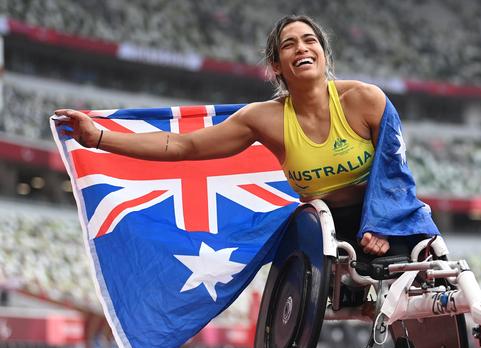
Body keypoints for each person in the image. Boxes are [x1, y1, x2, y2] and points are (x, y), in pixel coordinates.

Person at [54, 14, 428, 265]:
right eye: (289, 44)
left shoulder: (365, 99)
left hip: (383, 216)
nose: (302, 48)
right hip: (325, 229)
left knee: (431, 263)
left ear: (324, 55)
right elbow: (183, 146)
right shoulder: (263, 119)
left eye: (310, 40)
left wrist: (381, 224)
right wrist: (99, 137)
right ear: (277, 66)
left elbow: (394, 171)